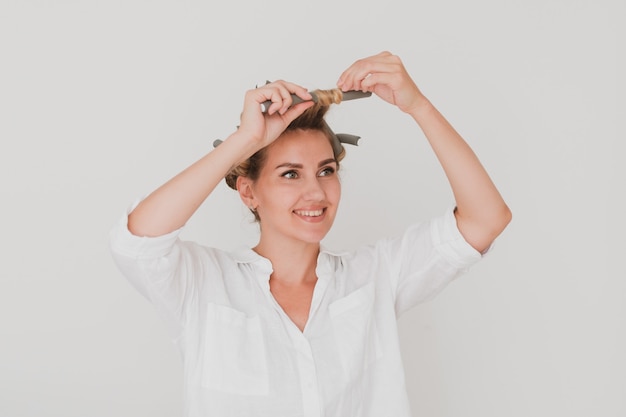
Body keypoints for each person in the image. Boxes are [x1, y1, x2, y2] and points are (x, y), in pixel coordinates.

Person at [109, 51, 511, 417]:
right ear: (248, 191)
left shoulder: (376, 276)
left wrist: (418, 106)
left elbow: (486, 219)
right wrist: (246, 139)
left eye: (326, 170)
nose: (316, 192)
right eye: (289, 174)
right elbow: (138, 241)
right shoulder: (203, 284)